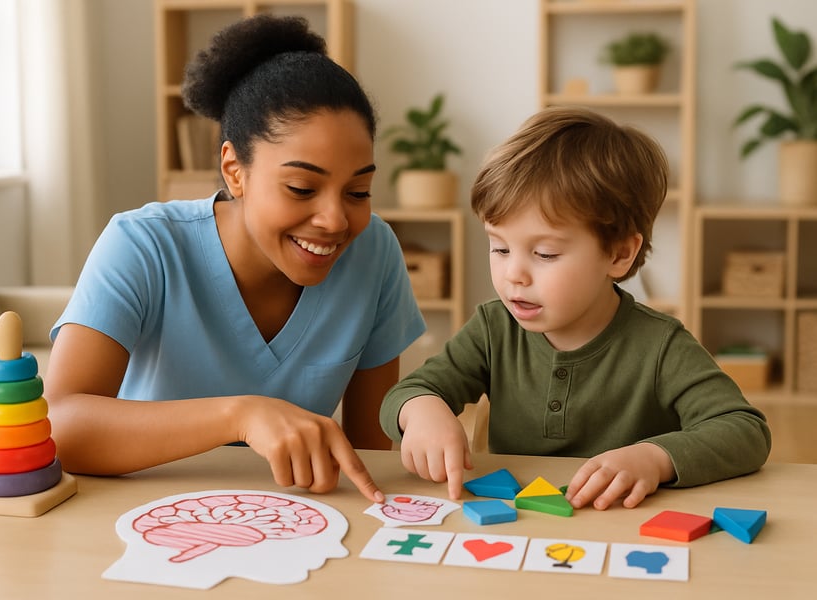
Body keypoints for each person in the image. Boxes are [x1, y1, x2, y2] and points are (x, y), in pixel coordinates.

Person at [45, 14, 425, 503]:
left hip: (298, 524)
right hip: (139, 520)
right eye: (302, 187)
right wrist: (242, 415)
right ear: (234, 170)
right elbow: (58, 426)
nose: (335, 220)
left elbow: (369, 452)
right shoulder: (143, 245)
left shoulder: (374, 251)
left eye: (358, 191)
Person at [380, 107, 771, 509]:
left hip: (622, 533)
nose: (513, 273)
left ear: (619, 254)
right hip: (518, 527)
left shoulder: (661, 346)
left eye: (545, 253)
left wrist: (656, 458)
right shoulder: (493, 328)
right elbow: (408, 392)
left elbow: (745, 430)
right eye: (499, 247)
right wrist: (422, 410)